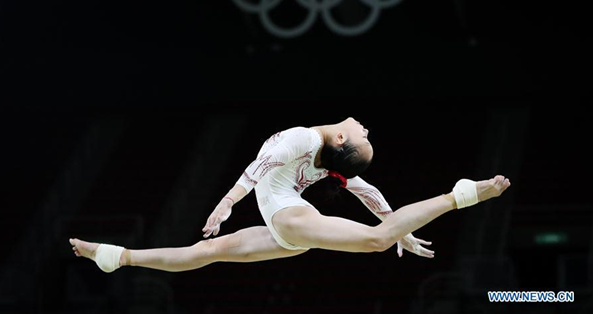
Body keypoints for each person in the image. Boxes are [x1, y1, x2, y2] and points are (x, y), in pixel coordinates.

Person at [69, 117, 511, 273]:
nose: (366, 129)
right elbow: (366, 191)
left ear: (342, 139)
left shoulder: (304, 138)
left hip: (288, 218)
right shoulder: (322, 157)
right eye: (368, 135)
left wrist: (227, 202)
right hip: (284, 232)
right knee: (200, 254)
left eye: (363, 136)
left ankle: (463, 195)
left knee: (378, 238)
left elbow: (258, 167)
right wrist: (399, 226)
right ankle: (117, 257)